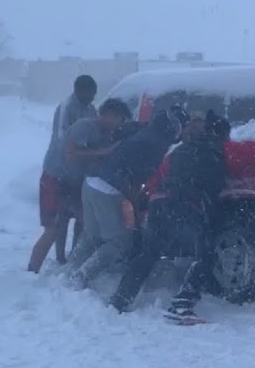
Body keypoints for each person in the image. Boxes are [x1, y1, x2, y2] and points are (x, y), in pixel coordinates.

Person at [109, 111, 231, 317]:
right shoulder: (215, 157)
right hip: (184, 208)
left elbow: (157, 177)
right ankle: (182, 304)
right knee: (205, 253)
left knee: (148, 253)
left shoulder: (181, 151)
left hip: (160, 205)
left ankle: (120, 299)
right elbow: (213, 191)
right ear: (221, 137)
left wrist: (144, 203)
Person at [63, 109, 183, 290]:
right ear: (173, 129)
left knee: (93, 233)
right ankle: (82, 275)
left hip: (91, 182)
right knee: (120, 241)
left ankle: (69, 269)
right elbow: (144, 176)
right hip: (109, 189)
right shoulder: (157, 144)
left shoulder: (144, 131)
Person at [28, 98, 131, 273]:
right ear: (109, 115)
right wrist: (103, 152)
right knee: (53, 228)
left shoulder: (107, 133)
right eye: (120, 119)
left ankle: (68, 261)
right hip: (55, 179)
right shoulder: (84, 126)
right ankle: (32, 271)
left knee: (84, 222)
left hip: (76, 183)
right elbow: (70, 153)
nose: (120, 124)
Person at [28, 75, 98, 272]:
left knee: (82, 219)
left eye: (93, 95)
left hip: (77, 175)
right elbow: (62, 140)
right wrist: (84, 148)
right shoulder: (66, 107)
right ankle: (43, 264)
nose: (91, 99)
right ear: (77, 91)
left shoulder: (92, 109)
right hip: (56, 173)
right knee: (56, 223)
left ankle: (74, 256)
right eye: (87, 95)